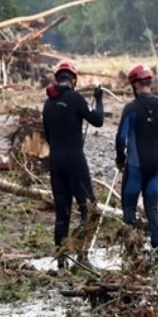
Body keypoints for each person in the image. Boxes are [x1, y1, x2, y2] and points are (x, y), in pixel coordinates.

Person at [41, 59, 103, 260]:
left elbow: (48, 136)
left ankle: (61, 261)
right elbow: (98, 120)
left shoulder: (48, 104)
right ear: (73, 80)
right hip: (75, 161)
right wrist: (99, 99)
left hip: (56, 163)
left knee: (62, 215)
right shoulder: (76, 99)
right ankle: (82, 255)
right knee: (89, 209)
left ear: (57, 79)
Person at [116, 65, 158, 251]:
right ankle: (157, 252)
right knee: (152, 210)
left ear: (135, 85)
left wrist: (120, 158)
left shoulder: (131, 108)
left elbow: (121, 138)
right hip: (154, 167)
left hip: (134, 167)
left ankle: (132, 252)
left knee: (129, 210)